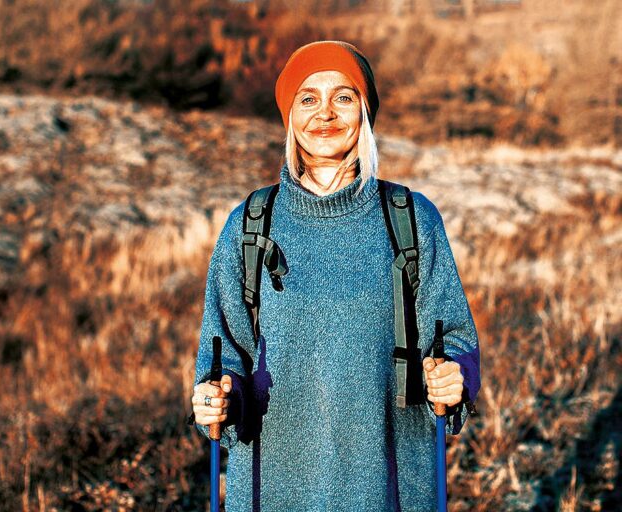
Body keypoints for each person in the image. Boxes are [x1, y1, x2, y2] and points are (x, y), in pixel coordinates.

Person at [190, 40, 481, 511]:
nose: (324, 113)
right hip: (273, 488)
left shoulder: (411, 219)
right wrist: (217, 397)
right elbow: (223, 355)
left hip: (389, 487)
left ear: (364, 112)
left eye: (343, 97)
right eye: (308, 98)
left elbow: (453, 338)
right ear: (289, 116)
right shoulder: (250, 224)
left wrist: (455, 375)